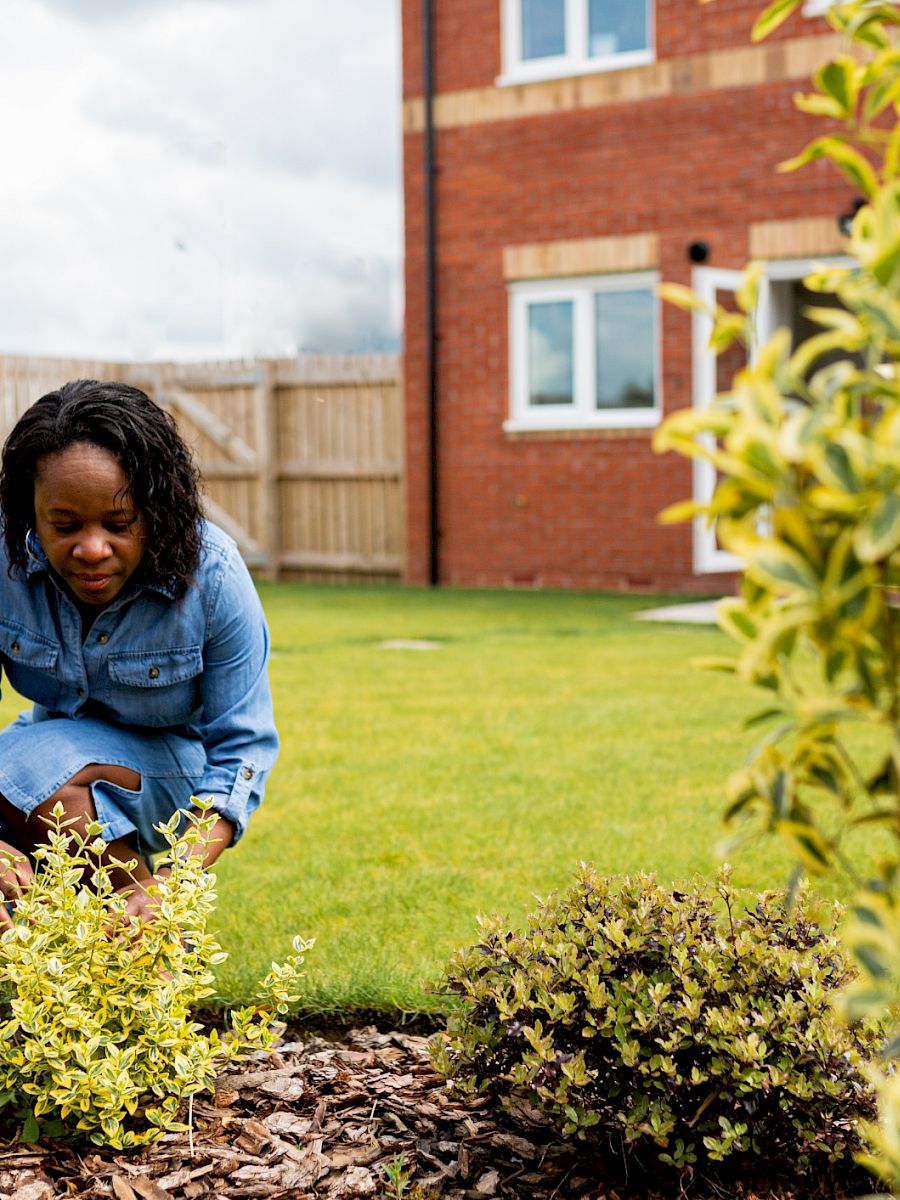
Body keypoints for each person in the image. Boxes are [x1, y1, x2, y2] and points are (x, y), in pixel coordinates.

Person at [0, 379, 278, 928]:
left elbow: (241, 752)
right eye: (64, 525)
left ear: (156, 509)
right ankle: (93, 958)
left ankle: (150, 924)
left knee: (27, 773)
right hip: (46, 754)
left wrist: (177, 881)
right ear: (30, 513)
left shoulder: (213, 577)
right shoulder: (3, 562)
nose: (92, 549)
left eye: (120, 524)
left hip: (172, 772)